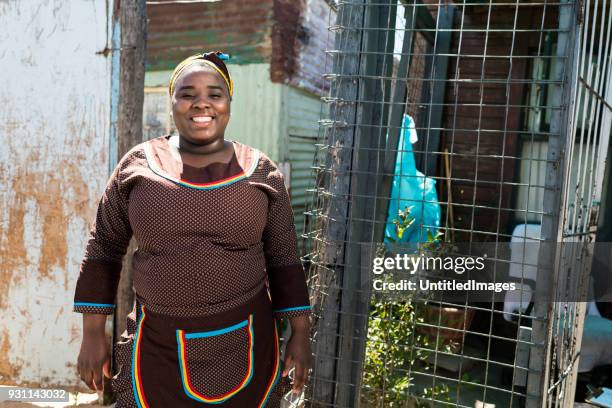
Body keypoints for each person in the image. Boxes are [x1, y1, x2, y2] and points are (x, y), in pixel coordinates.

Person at [73, 51, 312, 407]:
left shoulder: (261, 171)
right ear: (172, 101)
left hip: (246, 340)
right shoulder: (138, 165)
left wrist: (301, 334)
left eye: (215, 93)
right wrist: (93, 334)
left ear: (229, 102)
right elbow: (104, 248)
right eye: (187, 93)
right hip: (157, 344)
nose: (202, 103)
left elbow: (284, 258)